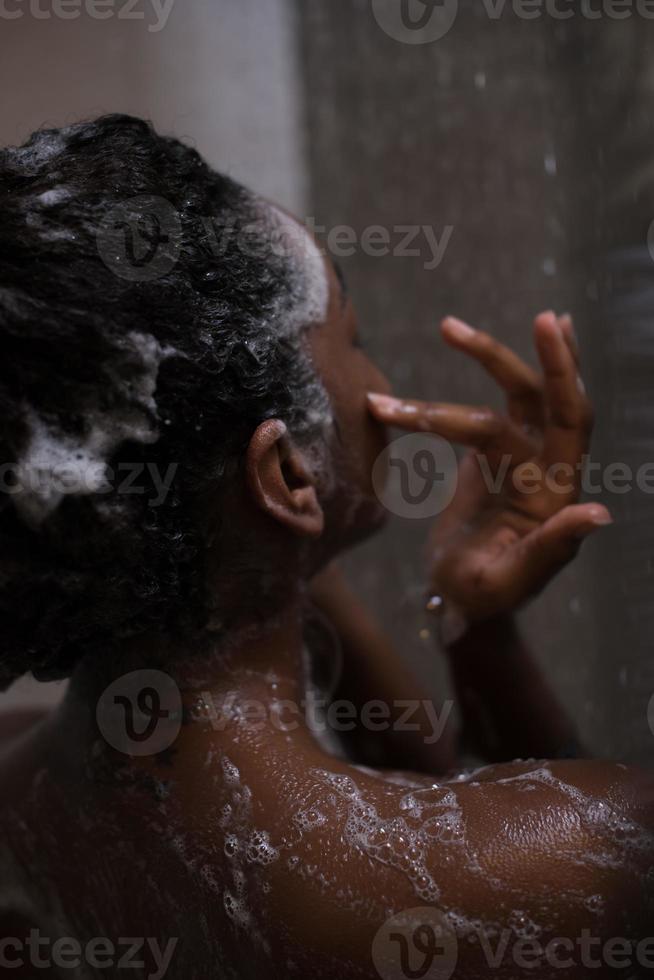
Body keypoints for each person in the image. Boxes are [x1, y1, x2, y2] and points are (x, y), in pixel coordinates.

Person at [0, 115, 651, 980]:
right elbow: (499, 825)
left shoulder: (22, 801)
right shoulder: (603, 848)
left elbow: (435, 787)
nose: (385, 389)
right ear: (288, 475)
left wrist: (466, 620)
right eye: (358, 338)